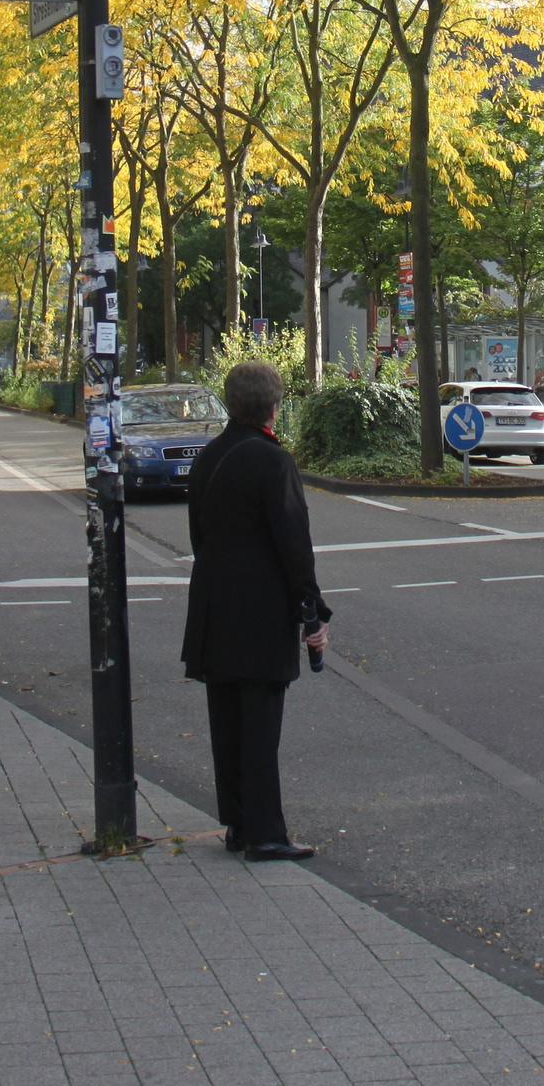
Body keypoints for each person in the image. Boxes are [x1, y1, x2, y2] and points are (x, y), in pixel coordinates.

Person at [182, 359, 331, 862]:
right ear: (273, 406)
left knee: (226, 723)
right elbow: (294, 545)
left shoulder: (208, 457)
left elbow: (199, 537)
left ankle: (239, 824)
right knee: (261, 727)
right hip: (261, 612)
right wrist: (312, 612)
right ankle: (266, 834)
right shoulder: (273, 461)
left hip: (213, 609)